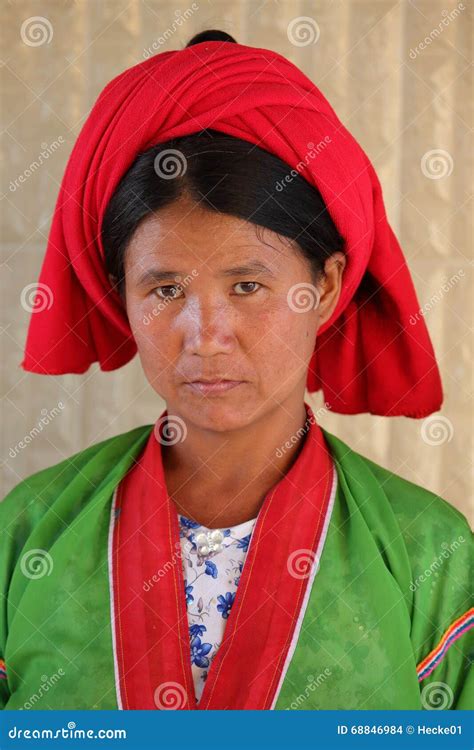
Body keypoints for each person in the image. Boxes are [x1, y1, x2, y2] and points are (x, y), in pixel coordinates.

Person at [0, 29, 471, 711]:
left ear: (328, 286)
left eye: (248, 286)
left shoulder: (430, 552)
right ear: (119, 292)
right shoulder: (27, 534)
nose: (207, 337)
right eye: (165, 290)